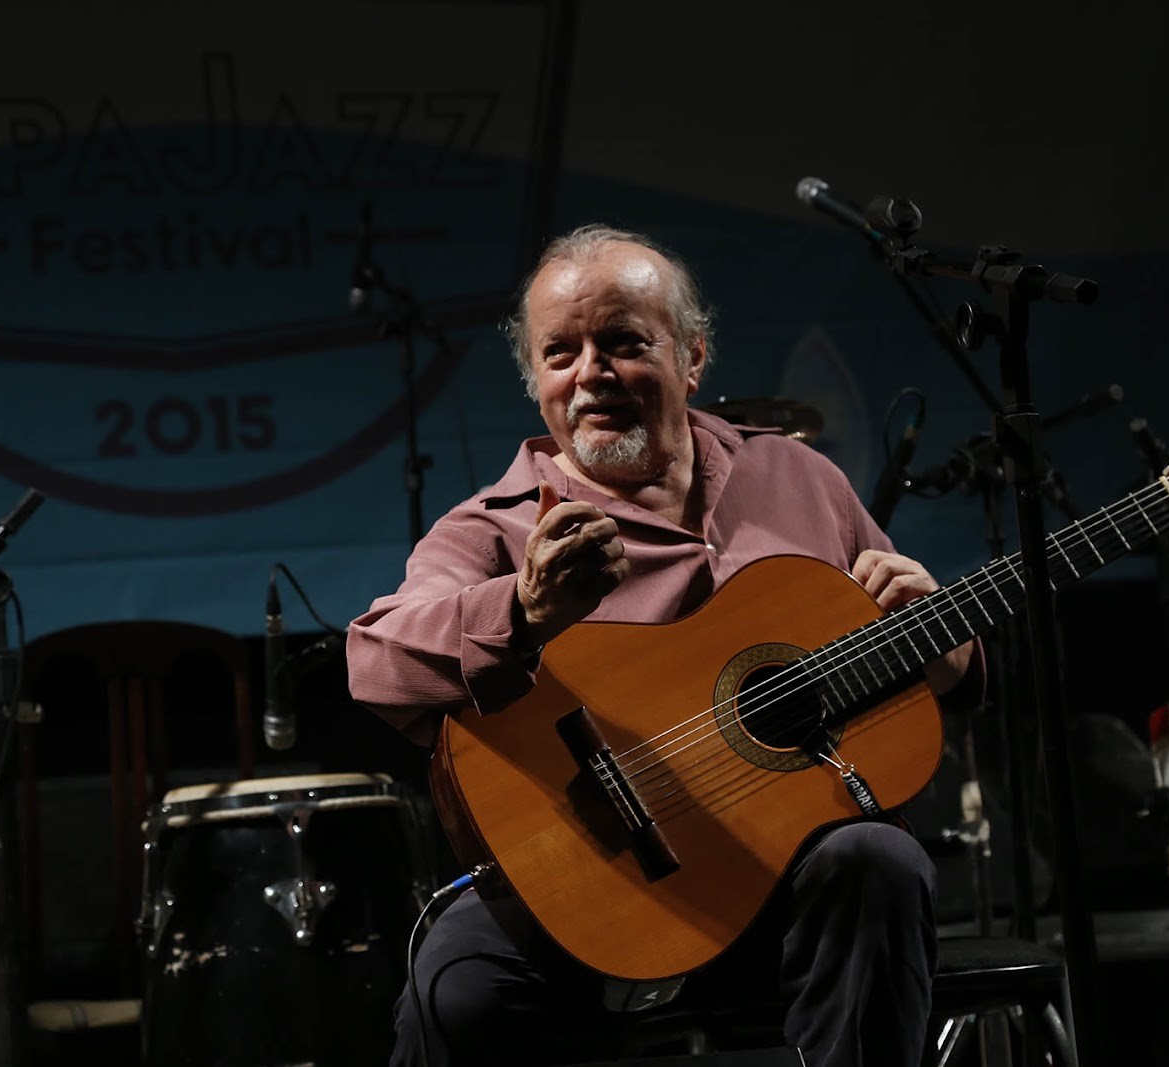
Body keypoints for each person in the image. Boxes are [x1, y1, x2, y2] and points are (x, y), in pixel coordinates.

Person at [347, 224, 980, 1067]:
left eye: (621, 343)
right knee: (453, 984)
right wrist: (525, 610)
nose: (590, 375)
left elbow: (906, 658)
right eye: (560, 353)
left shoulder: (799, 479)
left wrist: (947, 651)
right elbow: (375, 660)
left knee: (880, 858)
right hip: (600, 887)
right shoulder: (496, 525)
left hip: (789, 878)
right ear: (534, 379)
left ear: (692, 359)